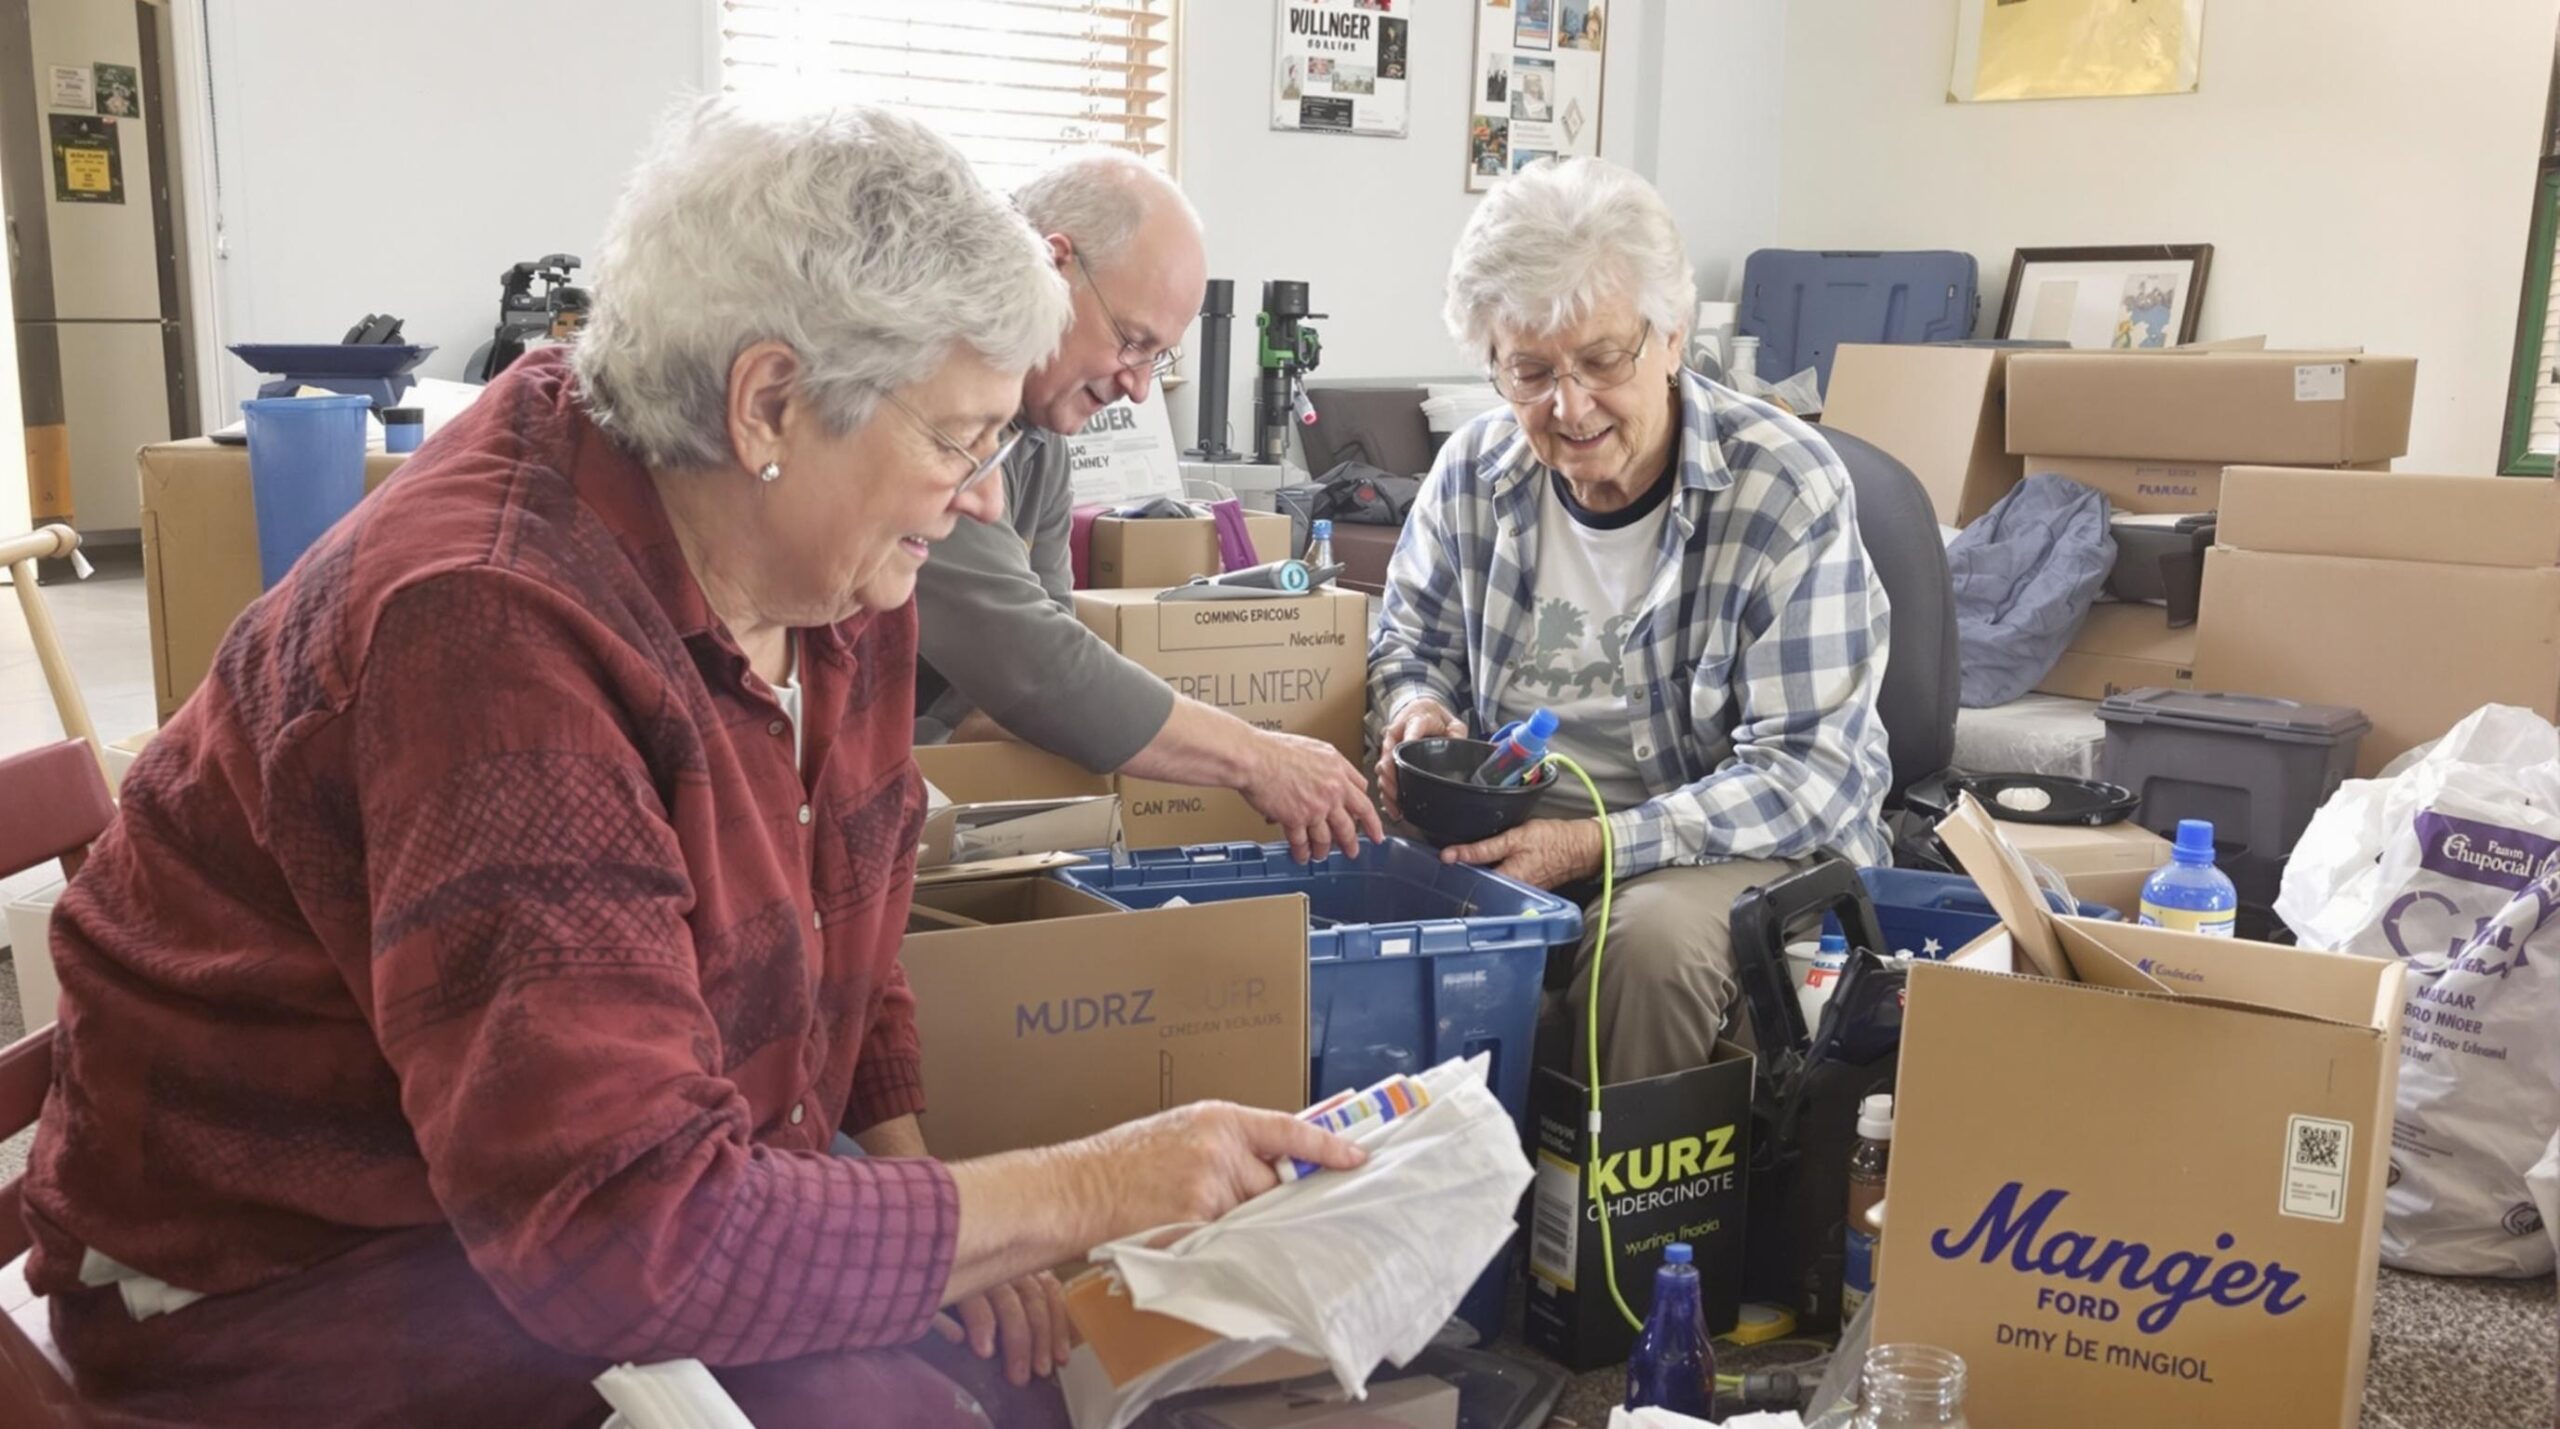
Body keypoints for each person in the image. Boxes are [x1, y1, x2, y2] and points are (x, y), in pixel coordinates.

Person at [22, 97, 1362, 1428]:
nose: (982, 496)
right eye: (958, 440)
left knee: (1002, 1380)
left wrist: (932, 1185)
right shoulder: (490, 634)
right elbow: (620, 1238)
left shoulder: (825, 565)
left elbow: (851, 905)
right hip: (291, 1272)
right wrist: (1097, 1185)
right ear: (768, 404)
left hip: (563, 1198)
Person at [1370, 158, 1894, 1086]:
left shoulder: (1784, 486)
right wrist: (1417, 712)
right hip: (1520, 827)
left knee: (1648, 947)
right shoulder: (1473, 471)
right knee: (1359, 883)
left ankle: (1604, 1186)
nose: (1568, 406)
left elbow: (1806, 774)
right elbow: (1411, 646)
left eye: (1602, 361)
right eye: (1530, 371)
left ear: (1672, 336)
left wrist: (1595, 843)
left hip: (1732, 844)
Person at [912, 149, 1383, 865]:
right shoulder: (931, 397)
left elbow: (1048, 648)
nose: (1137, 388)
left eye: (1156, 358)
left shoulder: (1043, 433)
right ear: (1053, 268)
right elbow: (1033, 660)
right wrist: (1254, 757)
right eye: (1132, 342)